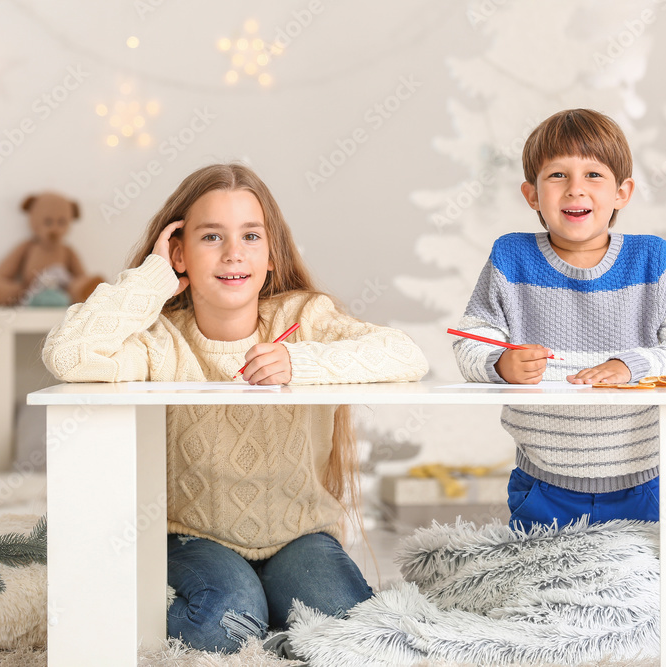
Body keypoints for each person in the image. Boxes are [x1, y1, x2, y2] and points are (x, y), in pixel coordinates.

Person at [42, 163, 429, 655]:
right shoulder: (161, 342)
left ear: (271, 256)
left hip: (299, 532)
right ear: (179, 253)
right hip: (193, 534)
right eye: (210, 238)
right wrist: (149, 281)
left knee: (353, 628)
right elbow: (67, 353)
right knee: (224, 621)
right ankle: (241, 609)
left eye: (251, 236)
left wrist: (299, 362)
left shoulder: (304, 318)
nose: (233, 254)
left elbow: (405, 355)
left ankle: (269, 609)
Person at [452, 109, 666, 530]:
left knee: (642, 591)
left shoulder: (652, 259)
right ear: (532, 194)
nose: (576, 190)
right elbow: (468, 342)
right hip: (542, 484)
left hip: (644, 483)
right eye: (557, 176)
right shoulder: (510, 257)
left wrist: (631, 366)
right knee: (542, 591)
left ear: (622, 192)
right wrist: (500, 363)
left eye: (594, 175)